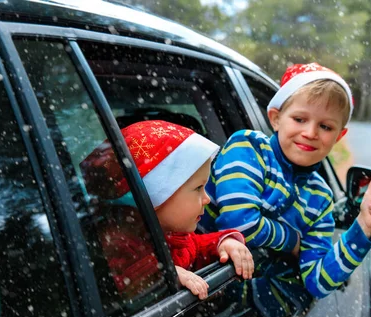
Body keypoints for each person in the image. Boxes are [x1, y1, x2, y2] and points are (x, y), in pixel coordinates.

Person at [199, 63, 371, 299]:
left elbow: (318, 283)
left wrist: (363, 227)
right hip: (193, 271)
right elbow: (240, 224)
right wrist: (293, 240)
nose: (311, 133)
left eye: (325, 126)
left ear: (338, 136)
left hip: (227, 303)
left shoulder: (321, 198)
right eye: (300, 119)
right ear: (276, 118)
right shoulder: (247, 148)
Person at [80, 120, 254, 300]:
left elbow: (195, 247)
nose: (207, 199)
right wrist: (163, 275)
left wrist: (222, 243)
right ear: (158, 194)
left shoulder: (172, 233)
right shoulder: (119, 244)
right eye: (198, 188)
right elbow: (125, 283)